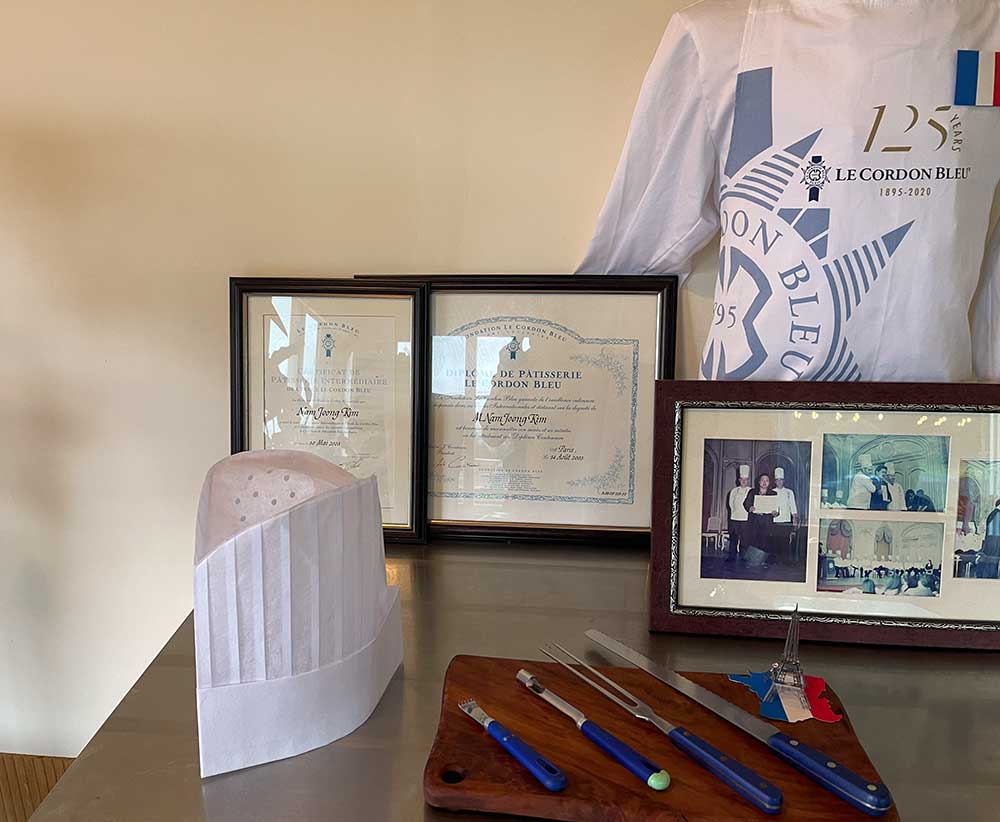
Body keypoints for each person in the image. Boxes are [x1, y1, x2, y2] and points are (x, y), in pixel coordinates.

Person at [576, 0, 1000, 383]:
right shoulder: (719, 33)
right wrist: (585, 383)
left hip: (940, 415)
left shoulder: (988, 32)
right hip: (754, 410)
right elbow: (637, 257)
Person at [744, 472, 778, 560]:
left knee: (766, 542)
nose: (764, 482)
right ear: (759, 482)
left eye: (767, 480)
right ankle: (753, 561)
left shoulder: (773, 493)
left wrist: (776, 513)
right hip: (755, 521)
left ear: (769, 482)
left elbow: (777, 508)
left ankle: (764, 561)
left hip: (767, 521)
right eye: (762, 480)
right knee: (754, 541)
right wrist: (750, 507)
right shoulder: (752, 492)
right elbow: (746, 503)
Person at [772, 466, 798, 564]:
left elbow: (793, 506)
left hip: (786, 520)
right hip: (775, 521)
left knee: (785, 541)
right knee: (775, 541)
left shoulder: (789, 492)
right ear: (775, 481)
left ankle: (785, 561)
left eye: (781, 480)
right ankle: (776, 561)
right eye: (777, 480)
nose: (779, 482)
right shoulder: (772, 492)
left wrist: (794, 518)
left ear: (784, 481)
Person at [726, 464, 752, 561]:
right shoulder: (733, 491)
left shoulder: (751, 491)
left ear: (748, 480)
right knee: (733, 539)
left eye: (746, 479)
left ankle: (743, 558)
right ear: (738, 480)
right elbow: (730, 504)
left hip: (746, 519)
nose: (744, 481)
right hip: (734, 519)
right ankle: (731, 558)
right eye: (742, 479)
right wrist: (735, 513)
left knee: (744, 541)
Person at [977, 499, 1000, 579]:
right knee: (992, 564)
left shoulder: (994, 514)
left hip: (992, 542)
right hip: (995, 543)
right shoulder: (997, 514)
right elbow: (995, 533)